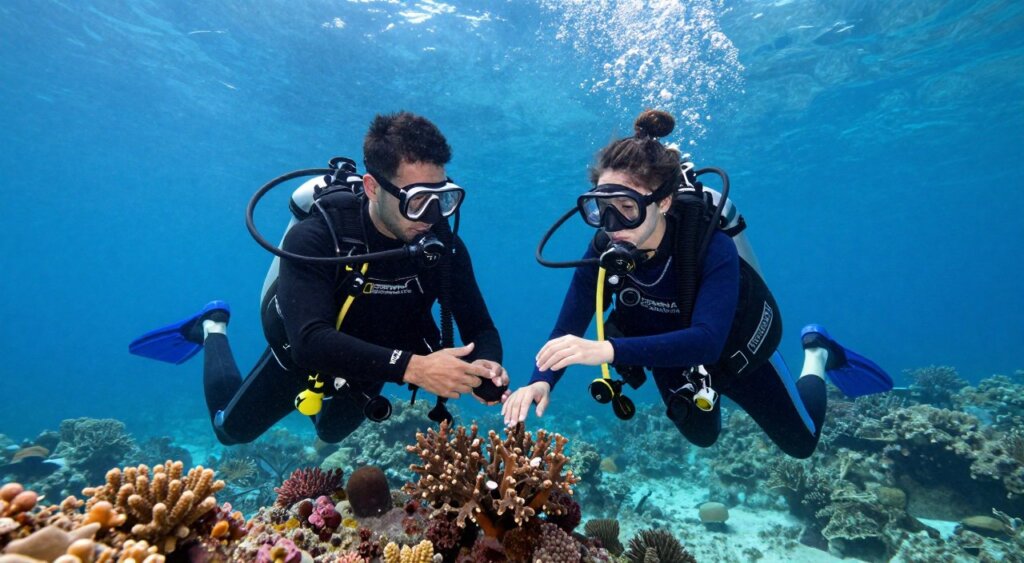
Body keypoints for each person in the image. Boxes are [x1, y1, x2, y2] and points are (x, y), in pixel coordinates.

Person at [502, 109, 891, 458]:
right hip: (670, 357)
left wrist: (603, 350)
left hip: (738, 351)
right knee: (702, 437)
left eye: (626, 209)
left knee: (802, 443)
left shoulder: (710, 246)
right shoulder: (603, 250)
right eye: (601, 210)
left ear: (664, 202)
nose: (612, 227)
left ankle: (818, 351)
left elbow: (708, 340)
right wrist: (540, 382)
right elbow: (566, 329)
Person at [131, 111, 508, 445]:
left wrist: (489, 366)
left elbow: (481, 327)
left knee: (329, 432)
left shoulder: (443, 245)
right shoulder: (317, 236)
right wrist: (415, 368)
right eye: (416, 199)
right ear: (372, 187)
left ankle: (320, 398)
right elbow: (309, 340)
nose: (430, 215)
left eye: (441, 198)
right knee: (229, 432)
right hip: (300, 352)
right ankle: (212, 327)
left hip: (376, 356)